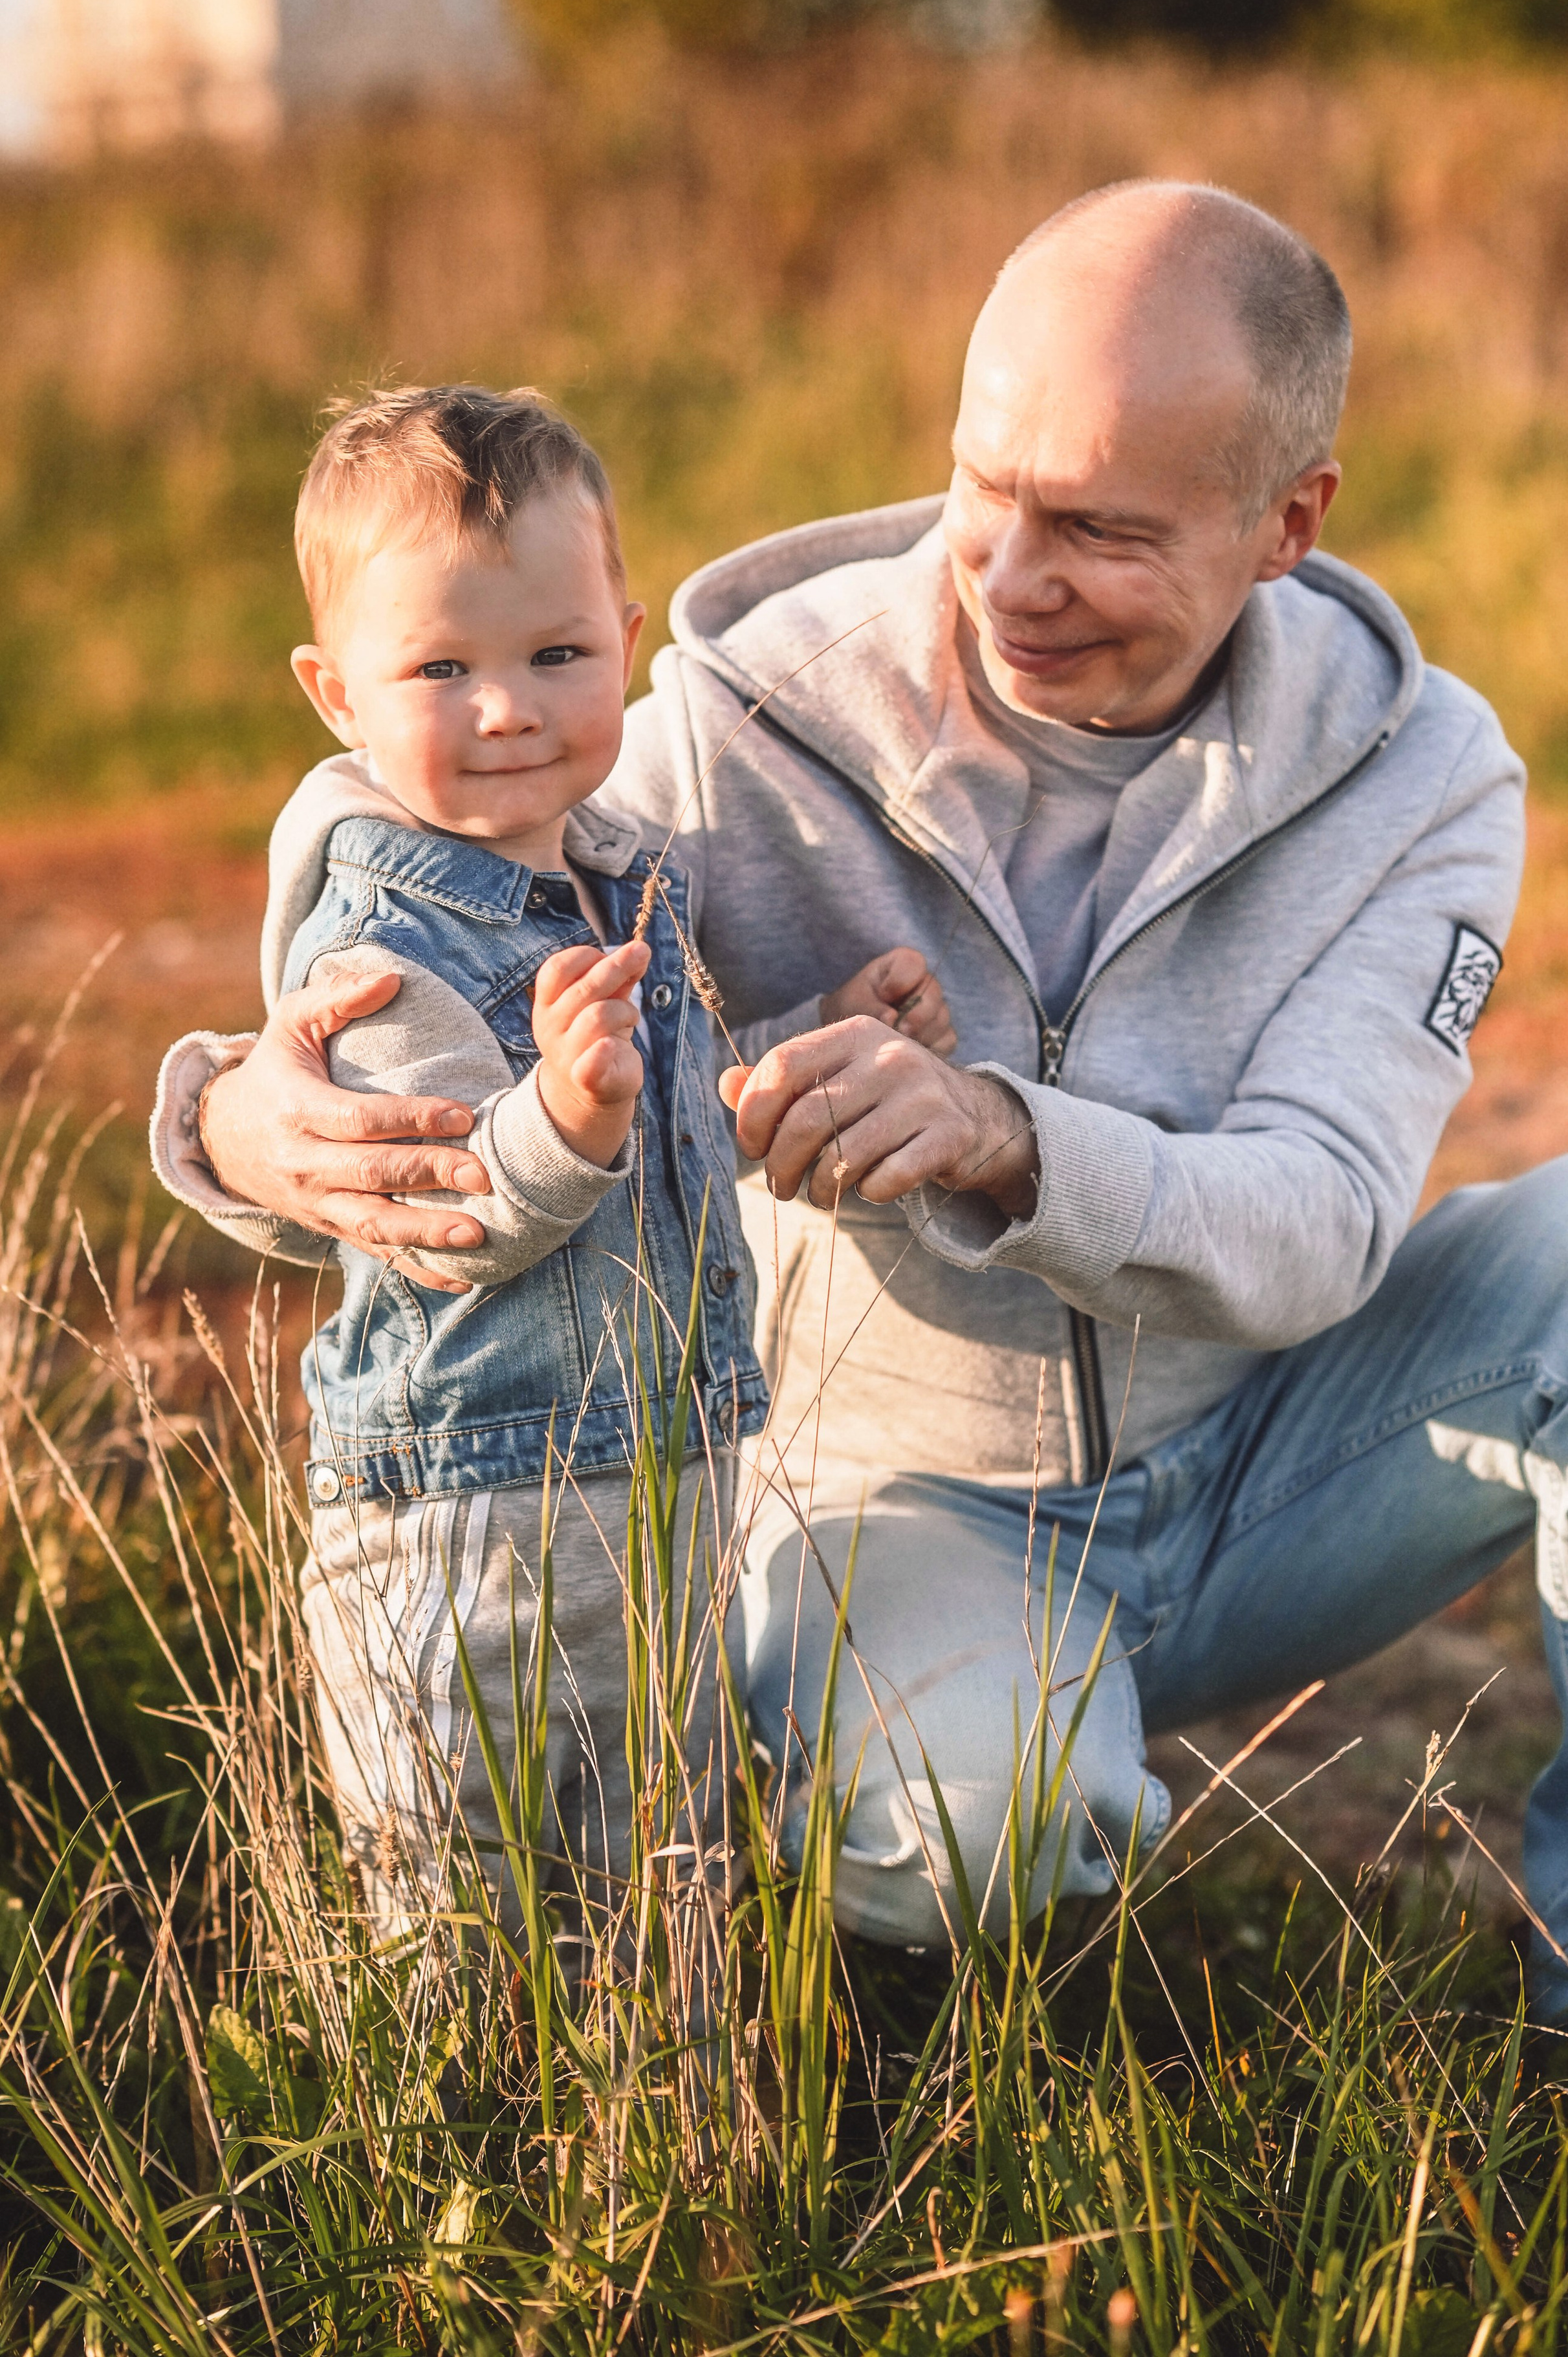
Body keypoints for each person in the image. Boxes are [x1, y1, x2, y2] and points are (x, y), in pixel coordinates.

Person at [155, 186, 1568, 2006]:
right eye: (988, 484)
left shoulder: (1420, 777)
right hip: (906, 1510)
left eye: (1100, 528)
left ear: (1287, 520)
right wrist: (230, 1120)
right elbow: (404, 853)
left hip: (1281, 1467)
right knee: (981, 1827)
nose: (1011, 573)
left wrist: (1002, 1136)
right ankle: (839, 1795)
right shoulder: (742, 724)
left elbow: (1323, 1221)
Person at [152, 382, 952, 1935]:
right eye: (441, 668)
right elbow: (446, 1205)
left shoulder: (616, 873)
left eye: (555, 656)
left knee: (666, 1861)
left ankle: (672, 2084)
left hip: (658, 1480)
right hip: (466, 1520)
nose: (508, 707)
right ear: (334, 691)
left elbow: (671, 1110)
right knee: (465, 1890)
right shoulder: (376, 948)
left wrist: (816, 1030)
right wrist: (565, 1120)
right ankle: (454, 2093)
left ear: (626, 642)